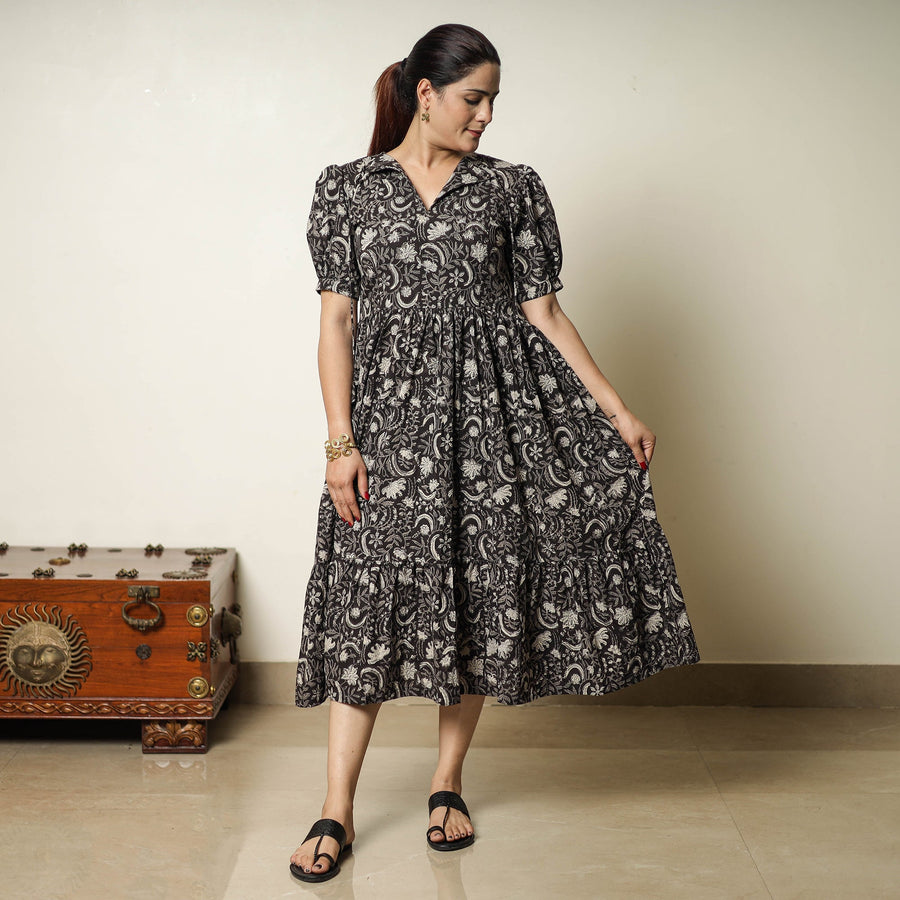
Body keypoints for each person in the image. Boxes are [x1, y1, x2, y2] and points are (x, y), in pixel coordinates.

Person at [290, 23, 701, 883]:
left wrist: (617, 408)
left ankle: (447, 783)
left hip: (494, 425)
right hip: (389, 428)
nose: (485, 116)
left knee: (480, 595)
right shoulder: (347, 189)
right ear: (425, 93)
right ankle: (336, 808)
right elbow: (336, 321)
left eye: (493, 102)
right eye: (473, 99)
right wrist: (340, 442)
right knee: (367, 599)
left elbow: (543, 312)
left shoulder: (512, 188)